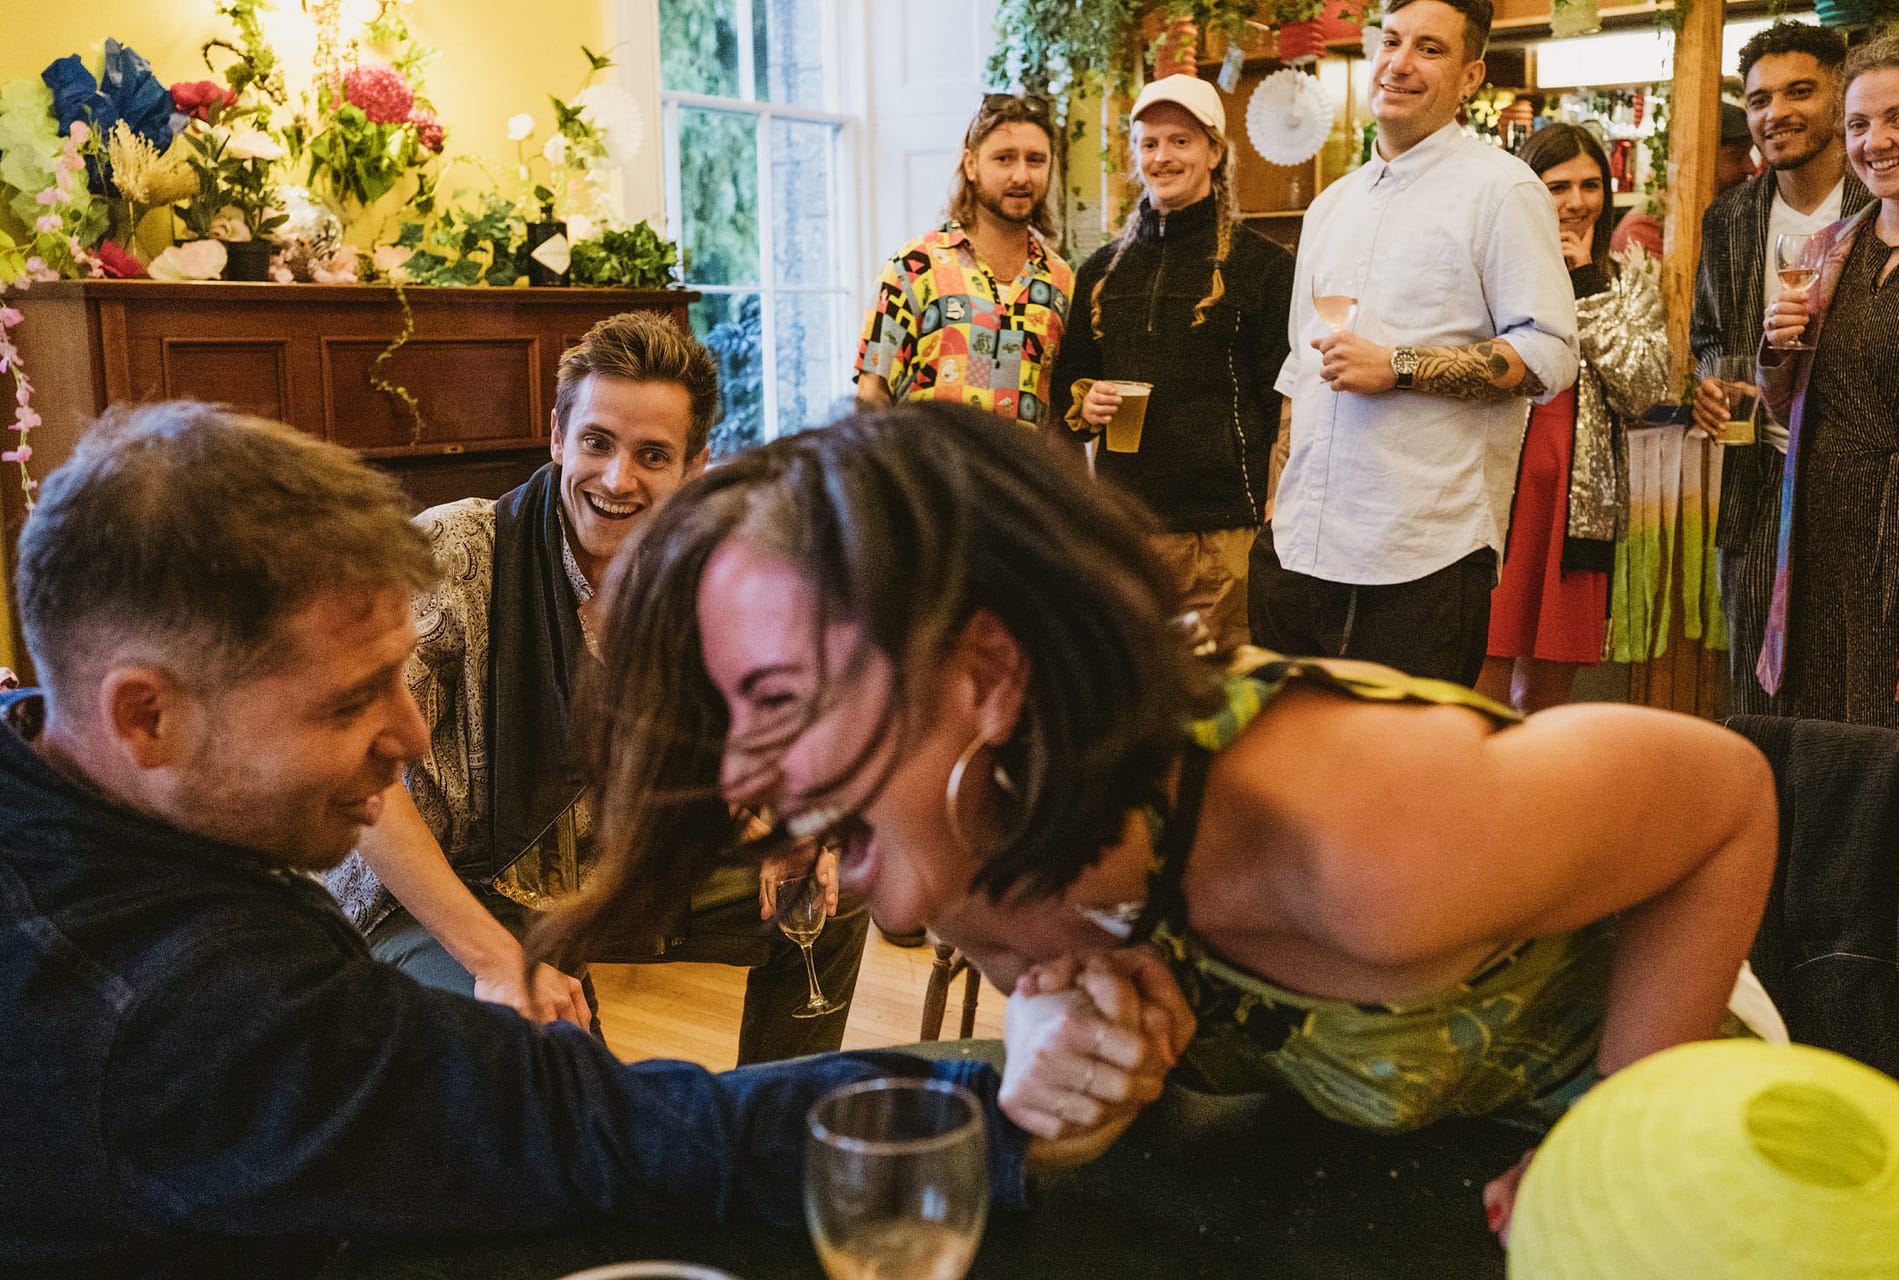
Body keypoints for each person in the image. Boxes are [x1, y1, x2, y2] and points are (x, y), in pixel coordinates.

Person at [537, 401, 1778, 1237]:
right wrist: (1070, 1066)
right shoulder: (962, 843)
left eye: (776, 701)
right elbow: (1113, 1067)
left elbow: (1728, 800)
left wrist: (1617, 1143)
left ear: (988, 676)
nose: (739, 782)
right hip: (1389, 1172)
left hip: (1670, 1111)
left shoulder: (1372, 834)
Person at [0, 402, 1178, 1278]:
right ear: (145, 717)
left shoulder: (56, 778)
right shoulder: (170, 1011)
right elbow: (583, 1128)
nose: (411, 735)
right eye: (349, 701)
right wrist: (980, 1105)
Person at [322, 312, 866, 1064]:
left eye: (652, 455)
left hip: (595, 875)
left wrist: (780, 828)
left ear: (695, 467)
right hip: (435, 895)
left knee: (833, 889)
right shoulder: (452, 551)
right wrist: (497, 960)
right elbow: (360, 782)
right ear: (557, 436)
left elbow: (710, 755)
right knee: (563, 1060)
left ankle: (770, 1118)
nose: (617, 480)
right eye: (598, 443)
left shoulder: (701, 578)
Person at [1246, 0, 1580, 687]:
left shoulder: (1503, 190)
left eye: (1429, 49)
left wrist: (1397, 366)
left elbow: (1549, 354)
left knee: (1409, 760)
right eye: (1392, 41)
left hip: (1421, 561)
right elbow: (1299, 368)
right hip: (1297, 552)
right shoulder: (1331, 204)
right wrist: (1278, 507)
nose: (1399, 64)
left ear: (1470, 77)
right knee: (1293, 751)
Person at [1050, 73, 1293, 652]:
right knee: (1137, 685)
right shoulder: (1100, 270)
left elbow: (1284, 405)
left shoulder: (1263, 265)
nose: (1163, 157)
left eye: (1181, 141)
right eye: (1150, 143)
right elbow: (1068, 393)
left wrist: (1275, 515)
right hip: (1126, 529)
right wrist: (1087, 400)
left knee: (1223, 685)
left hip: (1226, 533)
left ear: (1215, 152)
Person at [1694, 20, 1869, 716]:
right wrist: (1711, 383)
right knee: (1755, 698)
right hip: (1759, 482)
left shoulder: (1882, 207)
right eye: (1760, 99)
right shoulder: (1729, 218)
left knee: (1853, 694)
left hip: (1857, 484)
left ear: (1840, 96)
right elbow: (1709, 335)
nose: (1777, 113)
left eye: (1800, 91)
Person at [1757, 29, 1899, 732]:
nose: (1875, 141)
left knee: (1894, 736)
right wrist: (1778, 347)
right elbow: (1787, 403)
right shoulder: (1831, 249)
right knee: (1823, 726)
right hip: (1822, 530)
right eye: (1858, 124)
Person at [1477, 124, 1668, 712]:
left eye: (1590, 186)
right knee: (1479, 681)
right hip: (1496, 497)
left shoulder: (1625, 281)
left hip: (1577, 506)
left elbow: (1644, 390)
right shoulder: (1488, 274)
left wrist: (1586, 284)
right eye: (1557, 187)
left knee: (1549, 701)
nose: (1577, 202)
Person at [854, 92, 1074, 433]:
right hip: (928, 468)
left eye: (1035, 160)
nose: (1021, 176)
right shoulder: (913, 267)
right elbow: (872, 398)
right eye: (1004, 159)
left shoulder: (1060, 280)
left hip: (1018, 470)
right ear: (971, 165)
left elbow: (1060, 416)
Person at [1609, 101, 1761, 259]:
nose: (1751, 167)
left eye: (1749, 154)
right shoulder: (1644, 230)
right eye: (1737, 157)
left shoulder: (1726, 216)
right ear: (1695, 162)